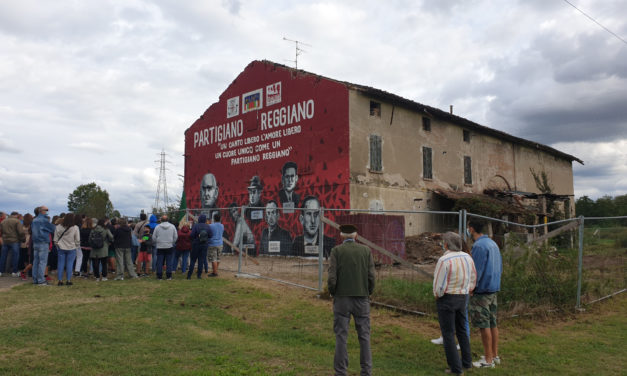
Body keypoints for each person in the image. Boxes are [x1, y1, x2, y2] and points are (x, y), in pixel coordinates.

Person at [327, 224, 375, 376]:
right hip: (362, 298)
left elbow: (332, 277)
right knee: (364, 336)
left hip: (342, 299)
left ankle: (341, 372)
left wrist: (332, 292)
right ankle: (366, 371)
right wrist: (368, 292)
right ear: (356, 236)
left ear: (341, 236)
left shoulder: (336, 251)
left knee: (341, 336)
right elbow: (371, 276)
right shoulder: (366, 251)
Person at [433, 232, 477, 375]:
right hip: (463, 296)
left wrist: (438, 295)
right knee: (462, 330)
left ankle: (456, 369)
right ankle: (467, 362)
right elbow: (473, 277)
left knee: (448, 334)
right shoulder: (467, 257)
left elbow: (439, 284)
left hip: (447, 298)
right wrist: (468, 289)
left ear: (446, 244)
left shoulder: (444, 260)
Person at [467, 220, 503, 368]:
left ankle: (487, 360)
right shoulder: (492, 243)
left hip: (482, 291)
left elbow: (476, 270)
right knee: (493, 323)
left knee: (484, 325)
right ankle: (494, 355)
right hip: (494, 289)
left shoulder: (479, 246)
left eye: (468, 228)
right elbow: (500, 266)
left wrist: (471, 288)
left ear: (471, 229)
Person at [30, 206, 56, 285]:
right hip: (43, 242)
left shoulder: (34, 220)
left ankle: (35, 279)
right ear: (41, 211)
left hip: (35, 243)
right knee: (42, 262)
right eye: (46, 210)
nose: (47, 211)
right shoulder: (44, 220)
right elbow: (53, 229)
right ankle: (41, 280)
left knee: (36, 262)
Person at [53, 213, 80, 286]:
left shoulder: (58, 227)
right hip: (71, 247)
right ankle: (68, 280)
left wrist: (57, 245)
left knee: (60, 264)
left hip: (61, 247)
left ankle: (60, 280)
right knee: (70, 264)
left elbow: (55, 239)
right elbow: (77, 239)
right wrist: (76, 246)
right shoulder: (75, 227)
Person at [152, 215, 178, 280]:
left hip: (160, 246)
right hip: (169, 246)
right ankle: (169, 276)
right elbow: (175, 236)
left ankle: (159, 276)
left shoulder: (157, 227)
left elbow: (154, 237)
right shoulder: (172, 226)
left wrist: (157, 242)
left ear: (161, 220)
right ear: (168, 219)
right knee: (169, 261)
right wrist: (172, 242)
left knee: (159, 262)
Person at [0, 211, 26, 277]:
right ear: (16, 215)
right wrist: (23, 239)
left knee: (3, 257)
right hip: (15, 241)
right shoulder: (17, 221)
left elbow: (1, 231)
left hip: (5, 241)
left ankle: (1, 271)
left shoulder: (3, 221)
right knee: (15, 257)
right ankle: (14, 272)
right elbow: (20, 232)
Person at [188, 214, 211, 279]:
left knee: (193, 260)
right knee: (201, 261)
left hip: (196, 245)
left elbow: (191, 235)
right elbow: (210, 235)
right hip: (204, 245)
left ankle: (189, 275)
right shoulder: (207, 226)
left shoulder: (196, 226)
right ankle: (199, 275)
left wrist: (195, 238)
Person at [207, 213, 224, 277]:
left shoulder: (211, 226)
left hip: (212, 243)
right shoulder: (222, 225)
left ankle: (215, 272)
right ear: (220, 219)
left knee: (213, 259)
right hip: (220, 243)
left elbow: (208, 233)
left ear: (214, 218)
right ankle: (215, 270)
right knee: (218, 258)